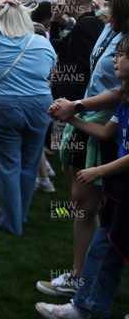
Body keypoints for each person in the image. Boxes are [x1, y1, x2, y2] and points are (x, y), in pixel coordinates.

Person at [38, 0, 128, 298]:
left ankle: (86, 285)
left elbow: (123, 89)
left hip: (108, 130)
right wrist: (76, 107)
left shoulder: (114, 25)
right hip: (90, 124)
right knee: (84, 205)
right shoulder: (111, 24)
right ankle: (81, 277)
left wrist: (76, 104)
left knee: (99, 210)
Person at [35, 34, 129, 319]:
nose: (114, 58)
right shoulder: (124, 97)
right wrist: (70, 117)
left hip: (121, 183)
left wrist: (99, 170)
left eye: (121, 54)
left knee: (110, 248)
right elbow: (105, 132)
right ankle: (83, 306)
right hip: (120, 188)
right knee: (105, 247)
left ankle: (84, 305)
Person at [0, 0, 56, 236]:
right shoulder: (42, 42)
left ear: (0, 21)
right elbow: (51, 70)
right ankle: (19, 216)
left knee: (8, 166)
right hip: (40, 105)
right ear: (27, 20)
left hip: (3, 107)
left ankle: (11, 223)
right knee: (30, 163)